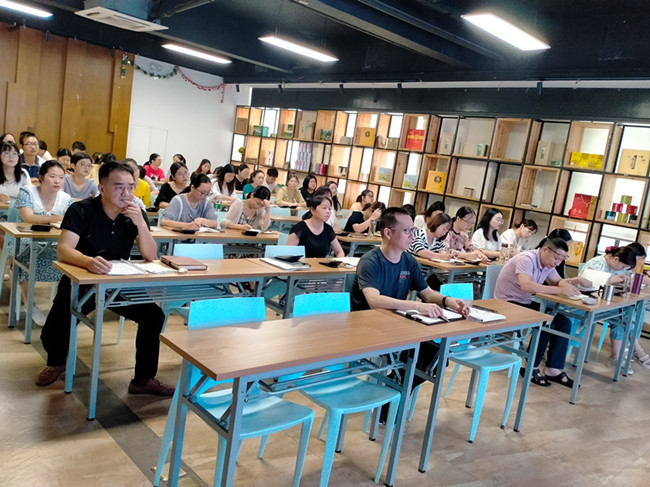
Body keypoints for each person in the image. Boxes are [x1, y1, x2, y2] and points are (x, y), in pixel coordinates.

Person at [35, 161, 173, 396]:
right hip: (83, 278)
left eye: (130, 187)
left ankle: (143, 380)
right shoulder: (81, 210)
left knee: (153, 316)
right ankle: (56, 362)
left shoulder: (135, 213)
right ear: (101, 188)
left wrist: (141, 224)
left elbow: (150, 255)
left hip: (118, 282)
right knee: (55, 329)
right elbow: (64, 250)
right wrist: (88, 261)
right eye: (119, 187)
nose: (126, 193)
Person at [351, 207, 470, 392]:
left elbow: (427, 293)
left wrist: (448, 301)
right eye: (406, 230)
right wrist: (416, 306)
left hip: (395, 323)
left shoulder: (409, 261)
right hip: (367, 327)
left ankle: (394, 392)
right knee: (422, 356)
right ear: (388, 233)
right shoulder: (370, 261)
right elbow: (374, 301)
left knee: (437, 355)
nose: (412, 235)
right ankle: (394, 392)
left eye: (413, 229)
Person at [494, 238, 582, 387]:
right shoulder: (527, 259)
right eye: (556, 258)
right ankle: (529, 366)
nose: (557, 263)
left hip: (524, 302)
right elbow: (527, 286)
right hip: (506, 303)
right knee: (546, 320)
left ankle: (553, 369)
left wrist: (568, 286)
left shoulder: (547, 263)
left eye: (561, 260)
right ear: (545, 249)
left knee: (563, 322)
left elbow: (557, 280)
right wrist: (560, 290)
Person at [16, 161, 73, 325]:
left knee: (70, 258)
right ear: (41, 177)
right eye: (52, 176)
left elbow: (72, 221)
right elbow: (29, 218)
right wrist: (59, 218)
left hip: (54, 241)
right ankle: (29, 304)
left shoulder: (66, 198)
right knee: (27, 257)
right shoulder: (27, 191)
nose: (57, 181)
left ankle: (60, 306)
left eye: (61, 177)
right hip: (26, 239)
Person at [579, 246, 650, 370]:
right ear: (616, 259)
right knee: (624, 315)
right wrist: (610, 280)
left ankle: (619, 355)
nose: (623, 269)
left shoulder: (617, 266)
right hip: (588, 304)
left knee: (624, 314)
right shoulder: (596, 263)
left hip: (605, 305)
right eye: (623, 266)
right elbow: (585, 285)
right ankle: (633, 350)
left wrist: (623, 281)